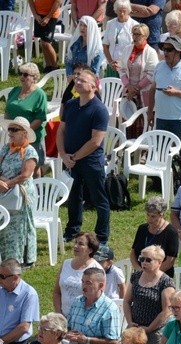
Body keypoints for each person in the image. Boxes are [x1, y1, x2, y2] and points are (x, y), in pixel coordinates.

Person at [58, 69, 110, 245]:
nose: (77, 82)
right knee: (73, 197)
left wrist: (74, 157)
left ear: (93, 86)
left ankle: (102, 236)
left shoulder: (100, 109)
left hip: (91, 161)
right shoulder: (71, 105)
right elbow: (61, 130)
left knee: (98, 199)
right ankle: (72, 230)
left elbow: (95, 141)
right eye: (77, 79)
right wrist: (63, 155)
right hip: (70, 159)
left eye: (82, 80)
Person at [148, 35, 181, 182]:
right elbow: (152, 90)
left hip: (179, 119)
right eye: (164, 49)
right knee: (160, 151)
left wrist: (176, 92)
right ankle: (162, 182)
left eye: (169, 49)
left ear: (178, 52)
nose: (165, 52)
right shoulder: (159, 67)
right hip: (161, 118)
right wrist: (150, 113)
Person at [123, 245, 176, 344]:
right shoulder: (136, 276)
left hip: (154, 332)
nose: (144, 263)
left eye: (148, 260)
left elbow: (167, 310)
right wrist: (130, 322)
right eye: (142, 259)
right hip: (134, 329)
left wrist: (148, 329)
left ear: (159, 262)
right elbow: (127, 301)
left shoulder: (166, 282)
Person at [0, 117, 38, 266]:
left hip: (20, 194)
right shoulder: (5, 148)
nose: (10, 133)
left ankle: (21, 259)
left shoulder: (30, 152)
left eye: (14, 130)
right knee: (4, 222)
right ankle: (5, 257)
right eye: (9, 129)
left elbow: (25, 175)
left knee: (19, 226)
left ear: (24, 133)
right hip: (3, 190)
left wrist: (7, 184)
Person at [0, 259, 39, 344]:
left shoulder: (28, 294)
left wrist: (1, 341)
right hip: (1, 343)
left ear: (15, 277)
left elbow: (24, 327)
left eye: (2, 276)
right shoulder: (1, 290)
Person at [3, 63, 47, 174]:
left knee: (33, 166)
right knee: (16, 165)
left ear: (35, 78)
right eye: (21, 74)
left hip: (32, 136)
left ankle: (38, 188)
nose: (22, 77)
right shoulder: (15, 90)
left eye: (26, 74)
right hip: (14, 133)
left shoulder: (40, 95)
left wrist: (24, 132)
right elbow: (7, 110)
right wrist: (11, 129)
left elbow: (40, 118)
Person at [54, 233, 103, 316]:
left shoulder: (97, 270)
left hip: (83, 320)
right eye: (75, 242)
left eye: (81, 244)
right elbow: (57, 292)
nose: (76, 246)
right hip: (63, 318)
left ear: (90, 250)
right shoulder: (66, 264)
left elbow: (97, 301)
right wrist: (59, 314)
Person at [131, 196, 179, 279]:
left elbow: (170, 261)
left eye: (153, 216)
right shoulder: (142, 228)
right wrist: (139, 270)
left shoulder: (171, 232)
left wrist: (151, 273)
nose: (149, 219)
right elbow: (133, 253)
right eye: (148, 215)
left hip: (160, 276)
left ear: (163, 215)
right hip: (140, 274)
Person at [119, 24, 158, 120]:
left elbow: (151, 74)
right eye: (133, 34)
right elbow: (122, 69)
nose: (135, 37)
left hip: (144, 94)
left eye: (138, 34)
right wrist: (128, 87)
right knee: (127, 124)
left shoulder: (151, 52)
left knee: (142, 123)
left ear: (145, 36)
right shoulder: (127, 49)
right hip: (128, 93)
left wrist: (136, 88)